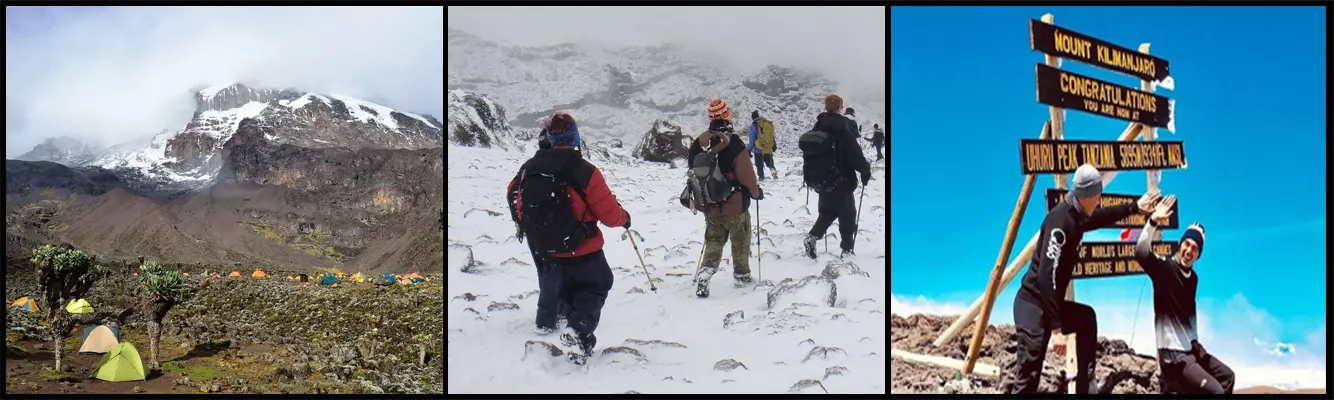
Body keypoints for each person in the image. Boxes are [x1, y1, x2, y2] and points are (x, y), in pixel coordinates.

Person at [1002, 164, 1162, 394]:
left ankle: (1086, 387)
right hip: (1033, 304)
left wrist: (1135, 207)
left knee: (1086, 318)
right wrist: (1056, 329)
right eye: (1097, 196)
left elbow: (1100, 217)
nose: (1099, 200)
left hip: (1049, 305)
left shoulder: (1077, 213)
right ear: (1087, 195)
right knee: (1029, 374)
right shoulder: (1061, 222)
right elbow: (1047, 276)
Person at [505, 111, 627, 364]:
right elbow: (609, 214)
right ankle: (579, 333)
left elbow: (515, 195)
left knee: (565, 290)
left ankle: (559, 323)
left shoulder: (530, 167)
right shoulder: (584, 170)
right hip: (582, 247)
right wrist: (624, 218)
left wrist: (530, 228)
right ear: (575, 136)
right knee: (597, 284)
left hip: (545, 247)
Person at [1135, 203, 1235, 394]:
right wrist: (1153, 221)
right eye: (1187, 244)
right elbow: (1140, 252)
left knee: (1228, 376)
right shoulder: (1165, 268)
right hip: (1172, 355)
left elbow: (1189, 312)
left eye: (1195, 248)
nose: (1189, 251)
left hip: (1189, 350)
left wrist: (1195, 341)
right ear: (1180, 244)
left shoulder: (1193, 279)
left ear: (1198, 255)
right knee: (1215, 391)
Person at [684, 97, 763, 298]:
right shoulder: (735, 144)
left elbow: (694, 173)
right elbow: (747, 176)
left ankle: (706, 272)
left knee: (714, 240)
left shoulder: (698, 143)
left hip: (710, 205)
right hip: (735, 206)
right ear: (727, 115)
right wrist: (755, 193)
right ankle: (742, 276)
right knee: (740, 240)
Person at [801, 95, 871, 259]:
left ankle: (812, 237)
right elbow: (855, 156)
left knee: (828, 211)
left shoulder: (818, 128)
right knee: (848, 214)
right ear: (840, 108)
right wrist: (865, 171)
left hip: (822, 180)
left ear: (826, 107)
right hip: (842, 181)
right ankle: (847, 249)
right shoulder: (842, 130)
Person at [748, 110, 778, 181]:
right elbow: (771, 136)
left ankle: (761, 177)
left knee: (759, 165)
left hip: (758, 149)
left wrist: (749, 149)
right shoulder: (766, 123)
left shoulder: (754, 125)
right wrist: (774, 144)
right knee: (770, 162)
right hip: (767, 148)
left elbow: (752, 138)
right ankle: (773, 171)